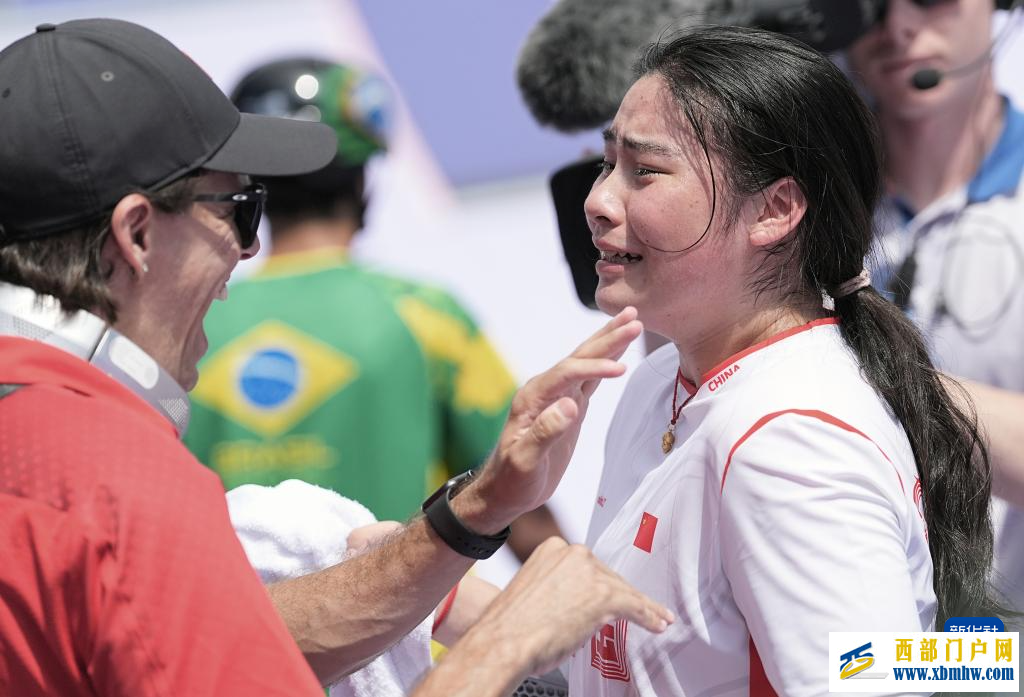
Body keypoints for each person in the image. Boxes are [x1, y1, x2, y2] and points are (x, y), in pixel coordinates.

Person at [0, 18, 673, 696]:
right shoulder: (110, 480)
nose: (247, 247)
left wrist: (462, 521)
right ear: (137, 233)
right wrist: (511, 638)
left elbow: (223, 632)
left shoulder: (44, 442)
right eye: (237, 208)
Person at [570, 24, 997, 695]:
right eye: (606, 164)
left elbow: (875, 674)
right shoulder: (659, 380)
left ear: (775, 209)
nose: (597, 202)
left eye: (644, 172)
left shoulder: (792, 442)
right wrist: (458, 539)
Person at [185, 57, 562, 557]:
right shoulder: (428, 317)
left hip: (232, 629)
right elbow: (518, 491)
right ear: (362, 183)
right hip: (403, 629)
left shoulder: (192, 320)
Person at [845, 0, 1024, 620]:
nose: (897, 28)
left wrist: (851, 373)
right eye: (865, 5)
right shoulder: (787, 203)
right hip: (846, 647)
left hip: (994, 654)